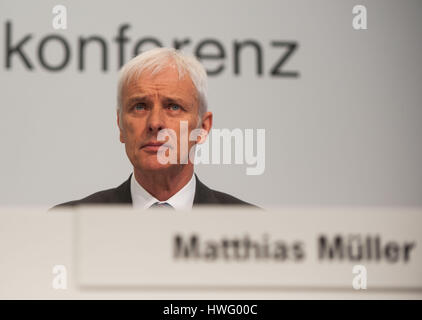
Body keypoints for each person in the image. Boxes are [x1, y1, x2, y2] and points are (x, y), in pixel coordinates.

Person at [53, 48, 256, 210]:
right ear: (120, 125)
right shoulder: (70, 222)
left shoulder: (250, 225)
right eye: (140, 106)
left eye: (173, 107)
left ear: (203, 127)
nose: (155, 123)